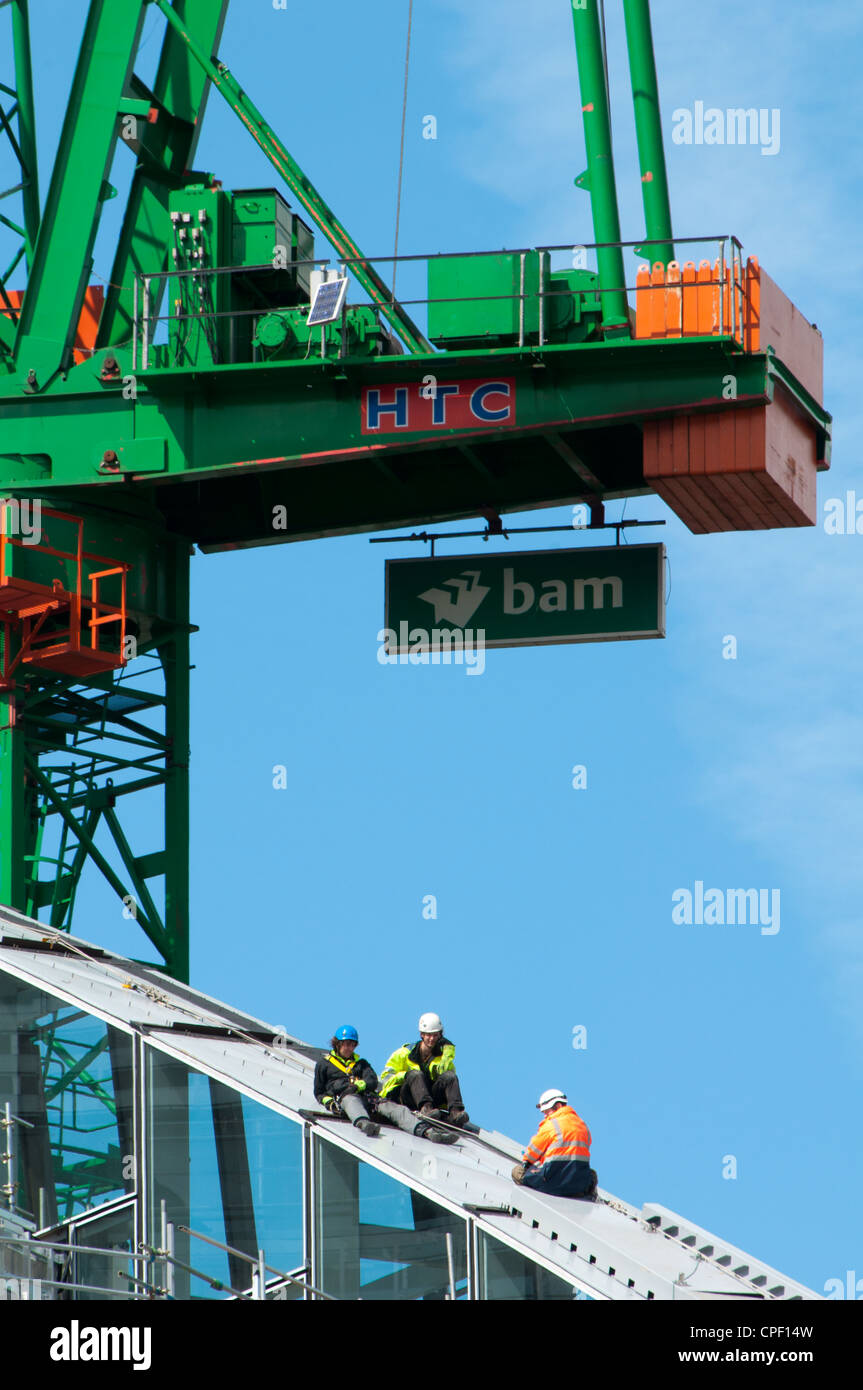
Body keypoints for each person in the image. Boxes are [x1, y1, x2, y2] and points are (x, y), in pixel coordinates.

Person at [313, 1025, 457, 1144]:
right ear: (337, 1044)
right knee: (351, 1100)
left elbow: (372, 1081)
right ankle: (364, 1123)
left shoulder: (360, 1064)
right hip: (344, 1097)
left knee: (396, 1109)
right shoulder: (324, 1064)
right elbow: (319, 1092)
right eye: (345, 1044)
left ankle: (428, 1132)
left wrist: (360, 1085)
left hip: (368, 1098)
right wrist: (328, 1101)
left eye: (351, 1044)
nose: (348, 1048)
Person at [379, 1012, 470, 1126]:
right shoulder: (404, 1053)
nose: (431, 1039)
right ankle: (425, 1108)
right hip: (406, 1096)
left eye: (435, 1035)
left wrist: (447, 1056)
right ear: (422, 1034)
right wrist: (405, 1075)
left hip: (431, 1099)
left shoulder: (441, 1058)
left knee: (450, 1076)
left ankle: (455, 1113)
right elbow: (386, 1080)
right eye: (428, 1035)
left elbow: (448, 1081)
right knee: (416, 1074)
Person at [511, 1089, 597, 1199]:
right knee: (592, 1174)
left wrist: (527, 1163)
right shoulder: (583, 1126)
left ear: (558, 1106)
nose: (545, 1116)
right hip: (577, 1186)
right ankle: (588, 1193)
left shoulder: (551, 1124)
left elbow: (531, 1154)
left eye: (547, 1112)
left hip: (552, 1183)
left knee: (517, 1172)